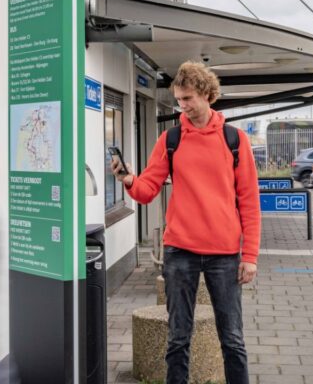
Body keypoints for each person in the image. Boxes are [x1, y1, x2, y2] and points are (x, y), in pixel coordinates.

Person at [111, 61, 260, 384]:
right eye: (179, 99)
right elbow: (147, 190)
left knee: (232, 339)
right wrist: (128, 179)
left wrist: (249, 256)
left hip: (224, 254)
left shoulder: (234, 140)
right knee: (178, 338)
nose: (183, 106)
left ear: (207, 94)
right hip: (180, 251)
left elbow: (249, 201)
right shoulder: (171, 139)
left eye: (188, 98)